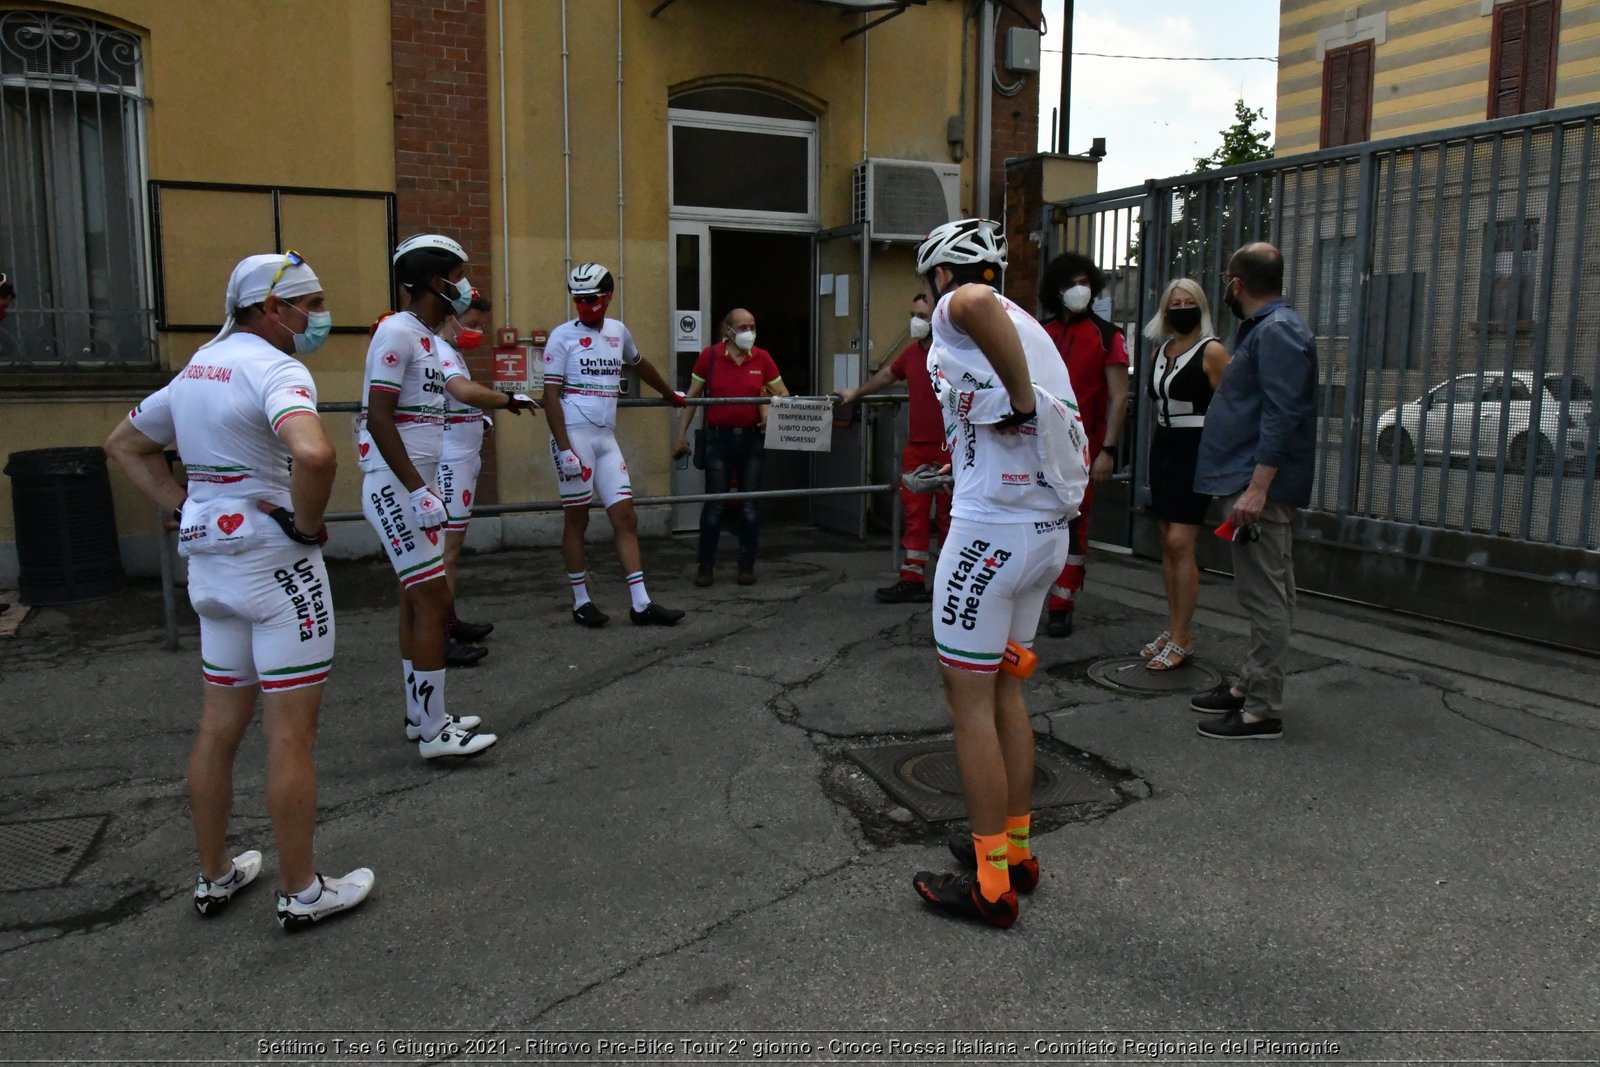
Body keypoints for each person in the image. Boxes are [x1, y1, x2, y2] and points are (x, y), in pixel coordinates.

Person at [104, 252, 373, 930]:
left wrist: (179, 501)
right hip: (275, 566)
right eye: (309, 303)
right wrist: (307, 526)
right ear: (270, 308)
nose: (319, 315)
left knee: (218, 725)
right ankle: (303, 889)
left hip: (211, 566)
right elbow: (313, 453)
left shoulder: (198, 366)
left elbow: (123, 441)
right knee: (292, 734)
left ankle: (216, 872)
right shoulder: (276, 367)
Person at [907, 219, 1091, 929]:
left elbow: (972, 306)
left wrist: (1014, 400)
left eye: (930, 288)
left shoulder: (966, 306)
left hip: (991, 536)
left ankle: (989, 884)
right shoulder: (1030, 324)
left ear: (942, 274)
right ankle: (1014, 851)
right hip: (1044, 534)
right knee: (1008, 693)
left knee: (969, 704)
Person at [360, 233, 531, 757]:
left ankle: (420, 716)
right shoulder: (396, 332)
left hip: (417, 480)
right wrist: (416, 490)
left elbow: (451, 395)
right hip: (397, 481)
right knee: (432, 598)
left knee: (416, 600)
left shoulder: (432, 339)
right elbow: (379, 416)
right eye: (458, 276)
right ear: (436, 281)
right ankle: (435, 733)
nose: (466, 286)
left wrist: (503, 400)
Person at [1190, 243, 1318, 740]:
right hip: (1250, 480)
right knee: (1268, 591)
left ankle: (1262, 709)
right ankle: (1249, 686)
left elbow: (1283, 415)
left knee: (1265, 596)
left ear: (1237, 283)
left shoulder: (1278, 333)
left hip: (1254, 486)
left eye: (1228, 278)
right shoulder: (1269, 330)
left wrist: (1257, 488)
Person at [544, 262, 686, 627]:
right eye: (577, 299)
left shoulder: (618, 331)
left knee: (626, 517)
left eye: (590, 298)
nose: (583, 305)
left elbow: (639, 364)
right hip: (574, 436)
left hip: (606, 437)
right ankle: (580, 601)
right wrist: (563, 448)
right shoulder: (562, 336)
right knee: (577, 521)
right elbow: (550, 395)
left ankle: (640, 603)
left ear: (607, 297)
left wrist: (670, 394)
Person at [834, 293, 952, 603]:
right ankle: (912, 578)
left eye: (921, 315)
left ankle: (949, 582)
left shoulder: (955, 353)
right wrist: (856, 393)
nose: (915, 321)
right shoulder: (912, 354)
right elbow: (887, 374)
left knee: (951, 519)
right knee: (914, 515)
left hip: (950, 449)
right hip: (918, 448)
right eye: (912, 314)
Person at [1037, 252, 1130, 638]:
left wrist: (1108, 450)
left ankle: (1062, 603)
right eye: (1070, 283)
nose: (1079, 290)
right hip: (1037, 445)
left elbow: (1119, 397)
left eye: (1085, 282)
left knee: (1075, 526)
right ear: (1056, 290)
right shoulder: (1040, 333)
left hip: (1084, 448)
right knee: (1035, 523)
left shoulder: (1108, 335)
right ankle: (1027, 597)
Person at [1139, 279, 1230, 671]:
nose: (1180, 308)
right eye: (1174, 302)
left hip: (1197, 449)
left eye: (1188, 302)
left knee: (1181, 540)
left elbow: (1230, 407)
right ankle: (1173, 626)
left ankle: (1184, 637)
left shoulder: (1213, 351)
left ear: (1202, 306)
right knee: (1167, 542)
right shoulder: (1160, 350)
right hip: (1164, 447)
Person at [672, 307, 787, 586]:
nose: (749, 332)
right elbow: (692, 396)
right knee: (714, 505)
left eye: (752, 325)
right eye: (743, 326)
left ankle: (746, 565)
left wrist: (769, 413)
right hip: (718, 440)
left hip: (752, 440)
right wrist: (680, 434)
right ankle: (705, 567)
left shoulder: (763, 358)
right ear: (728, 330)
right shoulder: (709, 357)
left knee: (749, 506)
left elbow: (782, 393)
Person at [437, 291, 505, 643]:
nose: (478, 331)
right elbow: (462, 392)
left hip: (463, 456)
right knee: (444, 553)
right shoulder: (441, 350)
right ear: (452, 319)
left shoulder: (454, 352)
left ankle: (448, 619)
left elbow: (451, 403)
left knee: (451, 551)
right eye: (474, 324)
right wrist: (506, 401)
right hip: (450, 462)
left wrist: (480, 421)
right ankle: (441, 631)